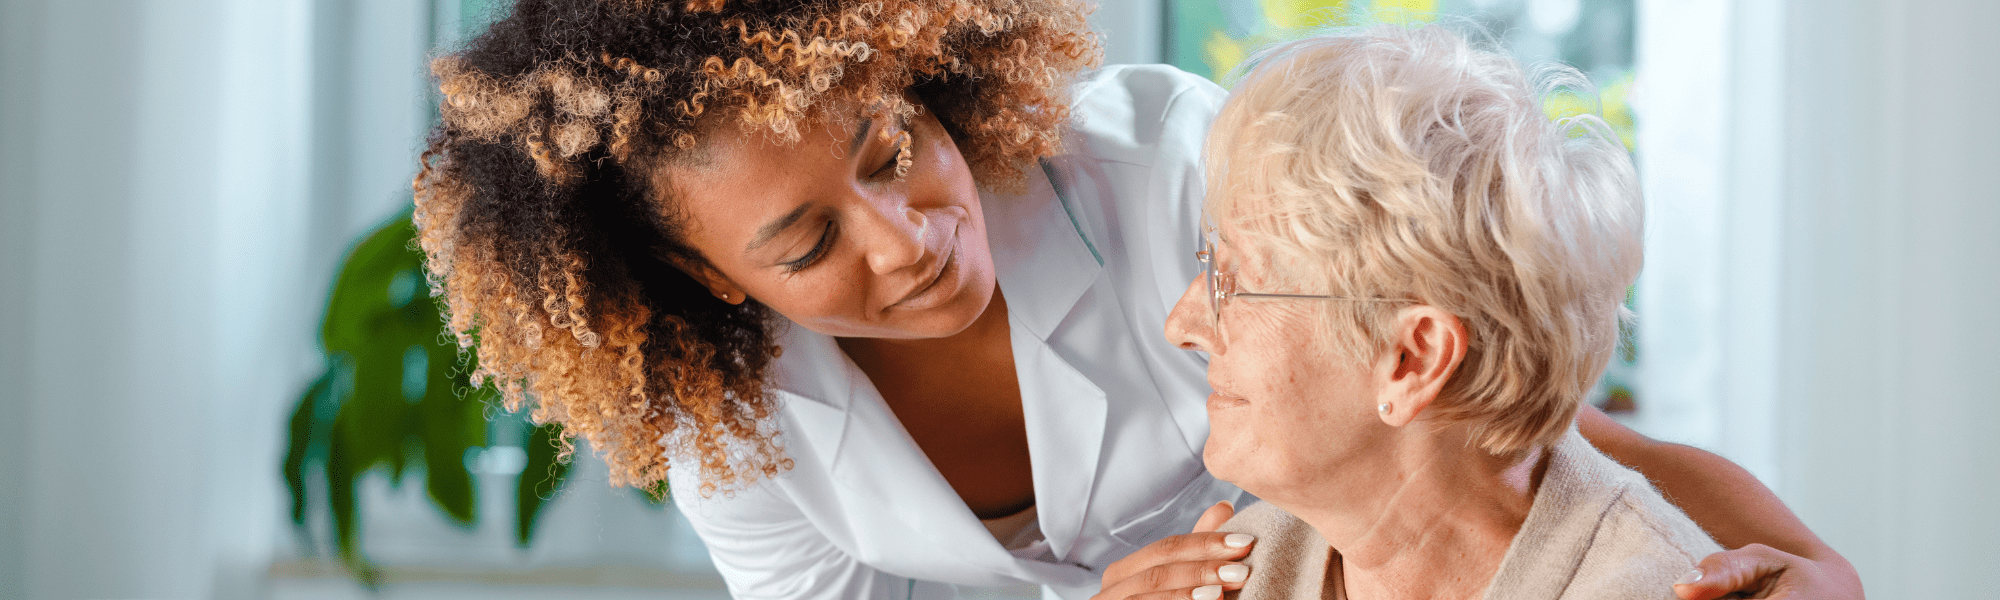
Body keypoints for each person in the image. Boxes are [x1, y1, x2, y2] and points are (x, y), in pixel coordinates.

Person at [410, 1, 1860, 599]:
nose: (911, 237)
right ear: (703, 279)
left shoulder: (1167, 171)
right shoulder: (734, 428)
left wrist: (1817, 572)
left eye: (895, 149)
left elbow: (1515, 411)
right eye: (805, 247)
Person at [1162, 23, 1718, 599]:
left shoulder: (1647, 586)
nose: (1182, 326)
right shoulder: (1235, 572)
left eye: (1230, 283)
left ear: (1413, 358)